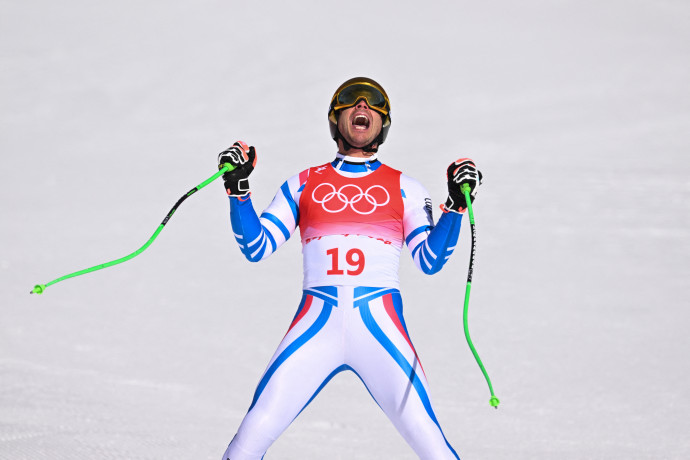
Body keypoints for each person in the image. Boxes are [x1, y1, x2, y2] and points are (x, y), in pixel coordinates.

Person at [217, 77, 481, 460]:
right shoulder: (303, 183)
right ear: (334, 118)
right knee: (247, 441)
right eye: (351, 101)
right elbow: (257, 247)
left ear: (383, 124)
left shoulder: (405, 187)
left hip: (380, 330)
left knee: (431, 444)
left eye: (373, 103)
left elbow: (429, 260)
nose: (362, 105)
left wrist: (455, 205)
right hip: (315, 328)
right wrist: (238, 189)